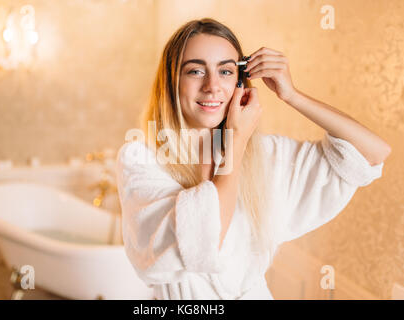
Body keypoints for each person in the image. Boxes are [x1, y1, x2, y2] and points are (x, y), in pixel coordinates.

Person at [115, 18, 391, 300]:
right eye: (196, 71)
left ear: (239, 82)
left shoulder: (265, 156)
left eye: (225, 71)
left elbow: (371, 154)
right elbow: (202, 238)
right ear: (172, 81)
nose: (212, 86)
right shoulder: (142, 158)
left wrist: (292, 95)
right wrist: (235, 140)